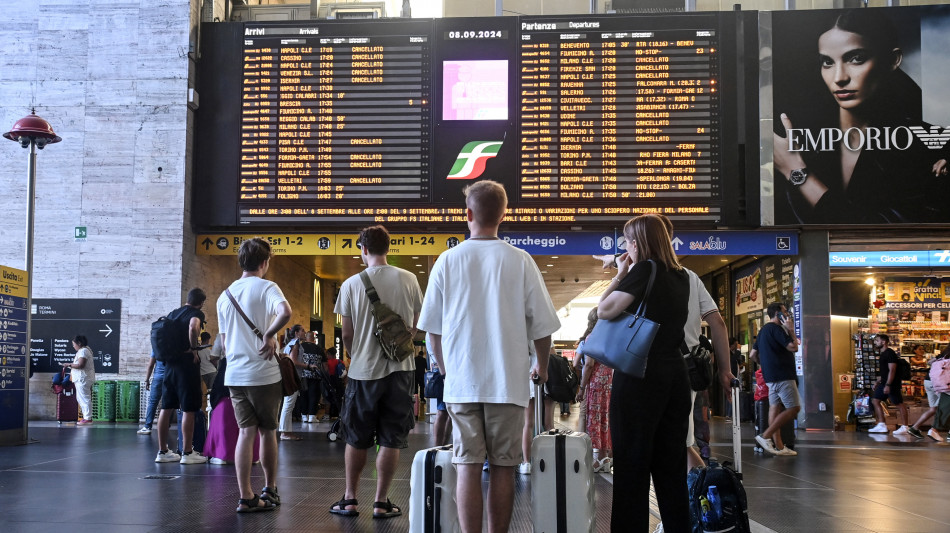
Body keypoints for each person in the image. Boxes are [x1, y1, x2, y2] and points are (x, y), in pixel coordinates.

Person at [418, 180, 560, 533]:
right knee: (503, 467)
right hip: (508, 384)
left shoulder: (447, 261)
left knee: (466, 465)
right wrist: (540, 367)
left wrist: (448, 368)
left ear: (468, 214)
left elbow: (432, 331)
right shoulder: (521, 260)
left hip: (462, 384)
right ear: (504, 214)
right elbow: (542, 328)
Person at [773, 8, 950, 224]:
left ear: (893, 60)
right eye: (827, 62)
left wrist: (796, 172)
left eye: (856, 58)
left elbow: (875, 231)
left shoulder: (932, 145)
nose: (839, 78)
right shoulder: (789, 140)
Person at [597, 213, 691, 532]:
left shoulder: (645, 269)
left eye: (628, 241)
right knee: (671, 467)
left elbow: (604, 310)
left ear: (638, 243)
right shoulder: (681, 275)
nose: (627, 247)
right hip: (675, 374)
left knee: (632, 464)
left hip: (641, 374)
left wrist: (620, 274)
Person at [329, 225, 423, 519]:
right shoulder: (409, 279)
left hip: (363, 371)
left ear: (363, 249)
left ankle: (350, 499)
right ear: (388, 247)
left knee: (356, 436)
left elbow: (347, 333)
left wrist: (357, 356)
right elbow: (419, 324)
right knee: (391, 437)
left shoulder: (352, 284)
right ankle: (382, 501)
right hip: (401, 370)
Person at [217, 237, 292, 512]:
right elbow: (285, 312)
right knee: (268, 431)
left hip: (234, 374)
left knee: (245, 432)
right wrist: (269, 335)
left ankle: (246, 496)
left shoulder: (225, 295)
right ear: (264, 262)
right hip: (263, 373)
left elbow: (224, 344)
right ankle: (270, 488)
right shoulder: (267, 287)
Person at [154, 288, 208, 465]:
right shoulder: (196, 313)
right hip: (186, 364)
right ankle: (187, 452)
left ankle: (162, 451)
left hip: (169, 364)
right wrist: (193, 349)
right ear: (201, 302)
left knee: (166, 407)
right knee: (189, 408)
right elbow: (193, 326)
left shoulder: (173, 313)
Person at [750, 303, 800, 456]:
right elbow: (793, 347)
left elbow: (752, 355)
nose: (787, 314)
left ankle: (779, 446)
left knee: (775, 407)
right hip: (783, 375)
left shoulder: (763, 330)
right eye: (785, 311)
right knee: (794, 408)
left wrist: (766, 364)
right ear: (778, 313)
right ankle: (765, 436)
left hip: (770, 377)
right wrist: (791, 329)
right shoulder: (777, 329)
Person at [575, 307, 613, 473]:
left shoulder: (592, 338)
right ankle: (605, 457)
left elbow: (589, 364)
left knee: (595, 419)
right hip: (610, 383)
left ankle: (597, 459)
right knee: (606, 419)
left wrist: (581, 387)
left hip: (596, 384)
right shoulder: (610, 336)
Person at [204, 357, 261, 465]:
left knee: (220, 416)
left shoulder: (227, 361)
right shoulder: (250, 359)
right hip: (248, 400)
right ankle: (252, 455)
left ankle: (221, 455)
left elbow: (218, 387)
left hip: (225, 401)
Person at [867, 334, 910, 435]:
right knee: (875, 400)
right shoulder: (884, 354)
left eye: (877, 341)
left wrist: (888, 385)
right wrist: (878, 382)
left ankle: (905, 426)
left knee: (898, 403)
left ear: (883, 342)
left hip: (891, 383)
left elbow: (892, 370)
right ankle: (882, 425)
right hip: (884, 383)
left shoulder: (890, 353)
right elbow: (885, 372)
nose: (875, 342)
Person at [278, 324, 306, 441]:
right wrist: (308, 366)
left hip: (290, 376)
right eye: (302, 330)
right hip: (293, 377)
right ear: (296, 333)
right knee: (289, 404)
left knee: (288, 404)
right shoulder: (295, 344)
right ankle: (285, 432)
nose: (304, 332)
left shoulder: (290, 344)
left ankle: (286, 431)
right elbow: (294, 361)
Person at [906, 348, 940, 440]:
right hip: (939, 384)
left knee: (933, 409)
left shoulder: (942, 355)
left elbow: (929, 363)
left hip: (929, 381)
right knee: (945, 405)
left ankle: (915, 428)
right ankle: (934, 430)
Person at [63, 335, 96, 426]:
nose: (73, 346)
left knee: (84, 398)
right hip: (83, 378)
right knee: (81, 398)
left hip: (83, 379)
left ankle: (88, 418)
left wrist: (69, 364)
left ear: (79, 343)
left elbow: (81, 365)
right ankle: (87, 417)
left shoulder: (83, 351)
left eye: (74, 344)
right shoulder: (85, 350)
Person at [298, 332, 326, 423]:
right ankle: (312, 416)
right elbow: (325, 365)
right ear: (314, 338)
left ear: (306, 337)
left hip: (303, 375)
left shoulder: (300, 346)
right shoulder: (320, 349)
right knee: (314, 395)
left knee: (303, 395)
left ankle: (304, 416)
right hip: (315, 376)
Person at [137, 350, 164, 434]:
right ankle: (166, 425)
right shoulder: (175, 346)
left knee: (153, 402)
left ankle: (147, 427)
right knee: (169, 404)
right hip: (171, 378)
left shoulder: (157, 347)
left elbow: (151, 365)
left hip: (158, 378)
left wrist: (147, 380)